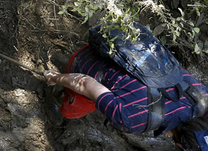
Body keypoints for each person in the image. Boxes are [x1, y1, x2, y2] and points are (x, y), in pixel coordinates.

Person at [44, 32, 208, 150]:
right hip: (85, 61)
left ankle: (67, 65)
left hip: (115, 44)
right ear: (179, 144)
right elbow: (84, 83)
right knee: (71, 110)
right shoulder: (132, 120)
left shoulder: (202, 95)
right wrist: (56, 78)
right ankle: (61, 83)